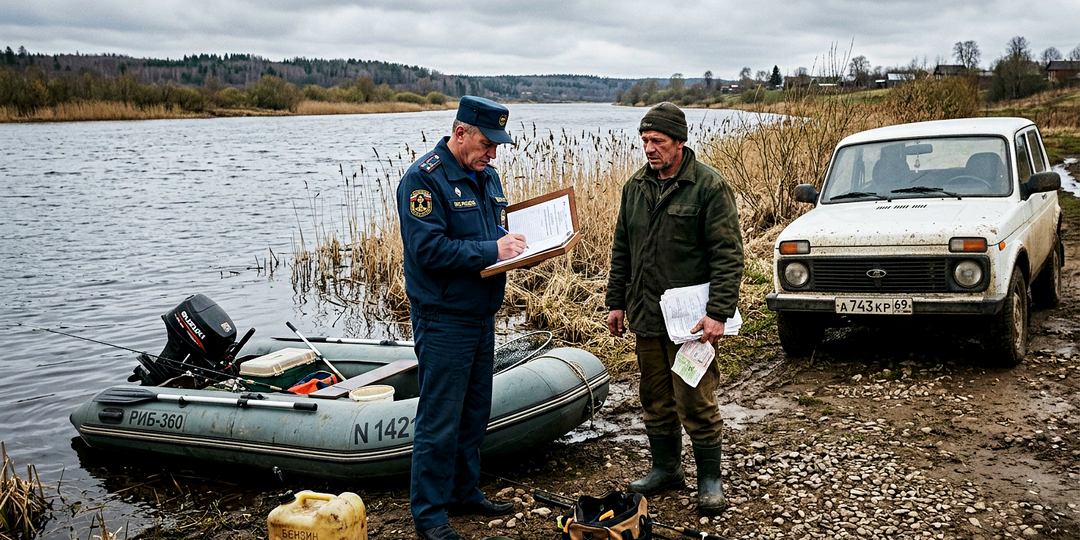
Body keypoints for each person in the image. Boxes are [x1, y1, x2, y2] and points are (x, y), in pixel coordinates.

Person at [397, 96, 527, 540]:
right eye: (488, 144)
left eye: (497, 147)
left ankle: (463, 492)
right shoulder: (423, 180)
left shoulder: (485, 177)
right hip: (443, 318)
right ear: (460, 134)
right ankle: (430, 516)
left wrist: (518, 247)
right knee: (440, 418)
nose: (493, 154)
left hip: (481, 314)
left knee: (474, 411)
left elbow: (494, 234)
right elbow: (427, 251)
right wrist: (493, 250)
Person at [605, 102, 744, 515]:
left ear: (680, 143)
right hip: (646, 316)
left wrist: (718, 312)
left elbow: (728, 255)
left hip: (691, 324)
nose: (650, 149)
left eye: (658, 142)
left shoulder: (708, 187)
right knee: (654, 396)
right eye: (645, 141)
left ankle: (709, 479)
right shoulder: (635, 187)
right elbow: (622, 250)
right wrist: (615, 302)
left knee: (695, 396)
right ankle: (665, 469)